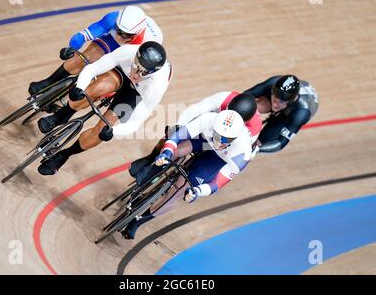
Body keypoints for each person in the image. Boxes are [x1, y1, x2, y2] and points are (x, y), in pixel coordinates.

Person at [37, 41, 172, 176]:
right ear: (135, 57)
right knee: (98, 88)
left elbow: (135, 123)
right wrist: (80, 87)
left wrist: (113, 131)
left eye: (143, 73)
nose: (136, 75)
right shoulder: (128, 52)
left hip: (136, 92)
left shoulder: (156, 87)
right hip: (121, 72)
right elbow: (93, 69)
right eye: (136, 67)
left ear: (152, 73)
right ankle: (62, 115)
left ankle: (64, 154)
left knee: (103, 129)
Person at [121, 109, 253, 240]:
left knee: (179, 190)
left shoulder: (242, 154)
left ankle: (138, 221)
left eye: (224, 140)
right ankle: (151, 172)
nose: (219, 142)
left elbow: (217, 183)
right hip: (206, 141)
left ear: (234, 138)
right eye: (217, 136)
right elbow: (177, 136)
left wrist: (197, 191)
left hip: (221, 158)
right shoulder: (209, 119)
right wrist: (167, 152)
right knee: (175, 150)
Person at [28, 5, 162, 95]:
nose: (121, 36)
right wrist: (72, 49)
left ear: (136, 34)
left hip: (133, 52)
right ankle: (49, 82)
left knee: (104, 84)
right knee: (88, 55)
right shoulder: (112, 19)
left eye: (126, 34)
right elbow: (82, 36)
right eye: (119, 30)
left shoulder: (147, 44)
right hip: (113, 41)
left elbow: (136, 72)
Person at [128, 91, 262, 179]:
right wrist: (179, 126)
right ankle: (152, 158)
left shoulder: (252, 131)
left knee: (197, 164)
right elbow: (196, 109)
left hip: (223, 147)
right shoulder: (225, 98)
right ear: (228, 107)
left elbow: (234, 153)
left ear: (244, 123)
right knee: (174, 133)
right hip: (209, 128)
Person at [244, 75, 319, 154]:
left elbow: (280, 143)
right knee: (255, 106)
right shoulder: (273, 82)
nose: (275, 104)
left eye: (280, 102)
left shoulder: (301, 113)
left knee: (258, 143)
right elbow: (244, 96)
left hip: (290, 113)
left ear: (291, 101)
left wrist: (257, 149)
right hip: (285, 99)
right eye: (274, 99)